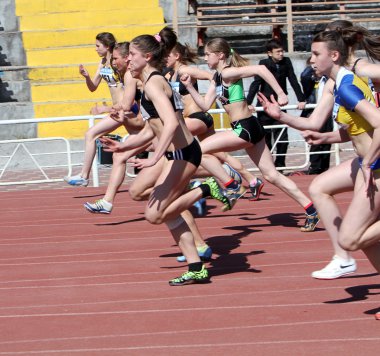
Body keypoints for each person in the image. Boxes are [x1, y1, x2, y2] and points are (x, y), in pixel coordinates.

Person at [258, 28, 380, 284]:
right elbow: (351, 129)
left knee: (352, 238)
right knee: (320, 188)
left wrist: (368, 164)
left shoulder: (348, 86)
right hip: (366, 163)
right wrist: (283, 117)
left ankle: (344, 254)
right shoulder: (337, 84)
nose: (310, 59)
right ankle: (343, 259)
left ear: (334, 55)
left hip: (374, 165)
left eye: (315, 54)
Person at [100, 28, 214, 286]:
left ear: (148, 56)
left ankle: (205, 189)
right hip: (179, 153)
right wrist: (124, 148)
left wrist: (154, 159)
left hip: (183, 153)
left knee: (154, 214)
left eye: (132, 55)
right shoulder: (151, 81)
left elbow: (173, 122)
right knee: (169, 215)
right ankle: (196, 267)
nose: (127, 60)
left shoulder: (152, 83)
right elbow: (155, 128)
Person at [180, 37, 319, 232]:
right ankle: (311, 209)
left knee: (198, 149)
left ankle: (231, 183)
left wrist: (280, 93)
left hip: (244, 128)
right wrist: (189, 87)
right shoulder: (217, 77)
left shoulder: (228, 72)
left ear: (220, 55)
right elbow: (205, 106)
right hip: (250, 127)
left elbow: (260, 70)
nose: (205, 58)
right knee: (272, 175)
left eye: (207, 54)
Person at [166, 42, 265, 202]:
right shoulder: (169, 75)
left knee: (176, 145)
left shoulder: (185, 69)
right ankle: (250, 179)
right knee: (219, 154)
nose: (164, 59)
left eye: (167, 55)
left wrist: (220, 85)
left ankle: (227, 182)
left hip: (197, 118)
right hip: (194, 116)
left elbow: (210, 75)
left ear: (176, 56)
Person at [83, 41, 146, 214]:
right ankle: (107, 201)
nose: (113, 62)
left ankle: (201, 188)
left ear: (127, 58)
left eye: (116, 59)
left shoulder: (130, 76)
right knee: (120, 157)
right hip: (145, 128)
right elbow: (132, 106)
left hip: (156, 128)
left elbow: (127, 105)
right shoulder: (128, 75)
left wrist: (105, 109)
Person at [64, 33, 126, 187]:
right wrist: (86, 77)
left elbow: (128, 86)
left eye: (98, 46)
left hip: (126, 109)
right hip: (117, 111)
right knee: (91, 134)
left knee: (91, 134)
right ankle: (84, 176)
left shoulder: (118, 63)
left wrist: (105, 108)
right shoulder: (102, 63)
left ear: (107, 46)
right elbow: (93, 87)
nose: (95, 49)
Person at [246, 38, 306, 170]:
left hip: (280, 105)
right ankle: (268, 167)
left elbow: (293, 80)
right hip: (265, 105)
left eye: (282, 51)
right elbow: (255, 84)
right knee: (265, 139)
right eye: (278, 52)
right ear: (269, 53)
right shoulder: (263, 64)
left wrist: (301, 99)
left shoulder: (286, 62)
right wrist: (248, 103)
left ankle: (280, 166)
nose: (281, 54)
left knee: (283, 137)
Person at [300, 57, 333, 175]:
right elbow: (304, 76)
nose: (316, 66)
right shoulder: (310, 79)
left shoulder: (328, 78)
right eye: (313, 64)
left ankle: (324, 167)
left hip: (328, 112)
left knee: (326, 140)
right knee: (315, 139)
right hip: (314, 112)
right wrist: (312, 66)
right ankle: (315, 167)